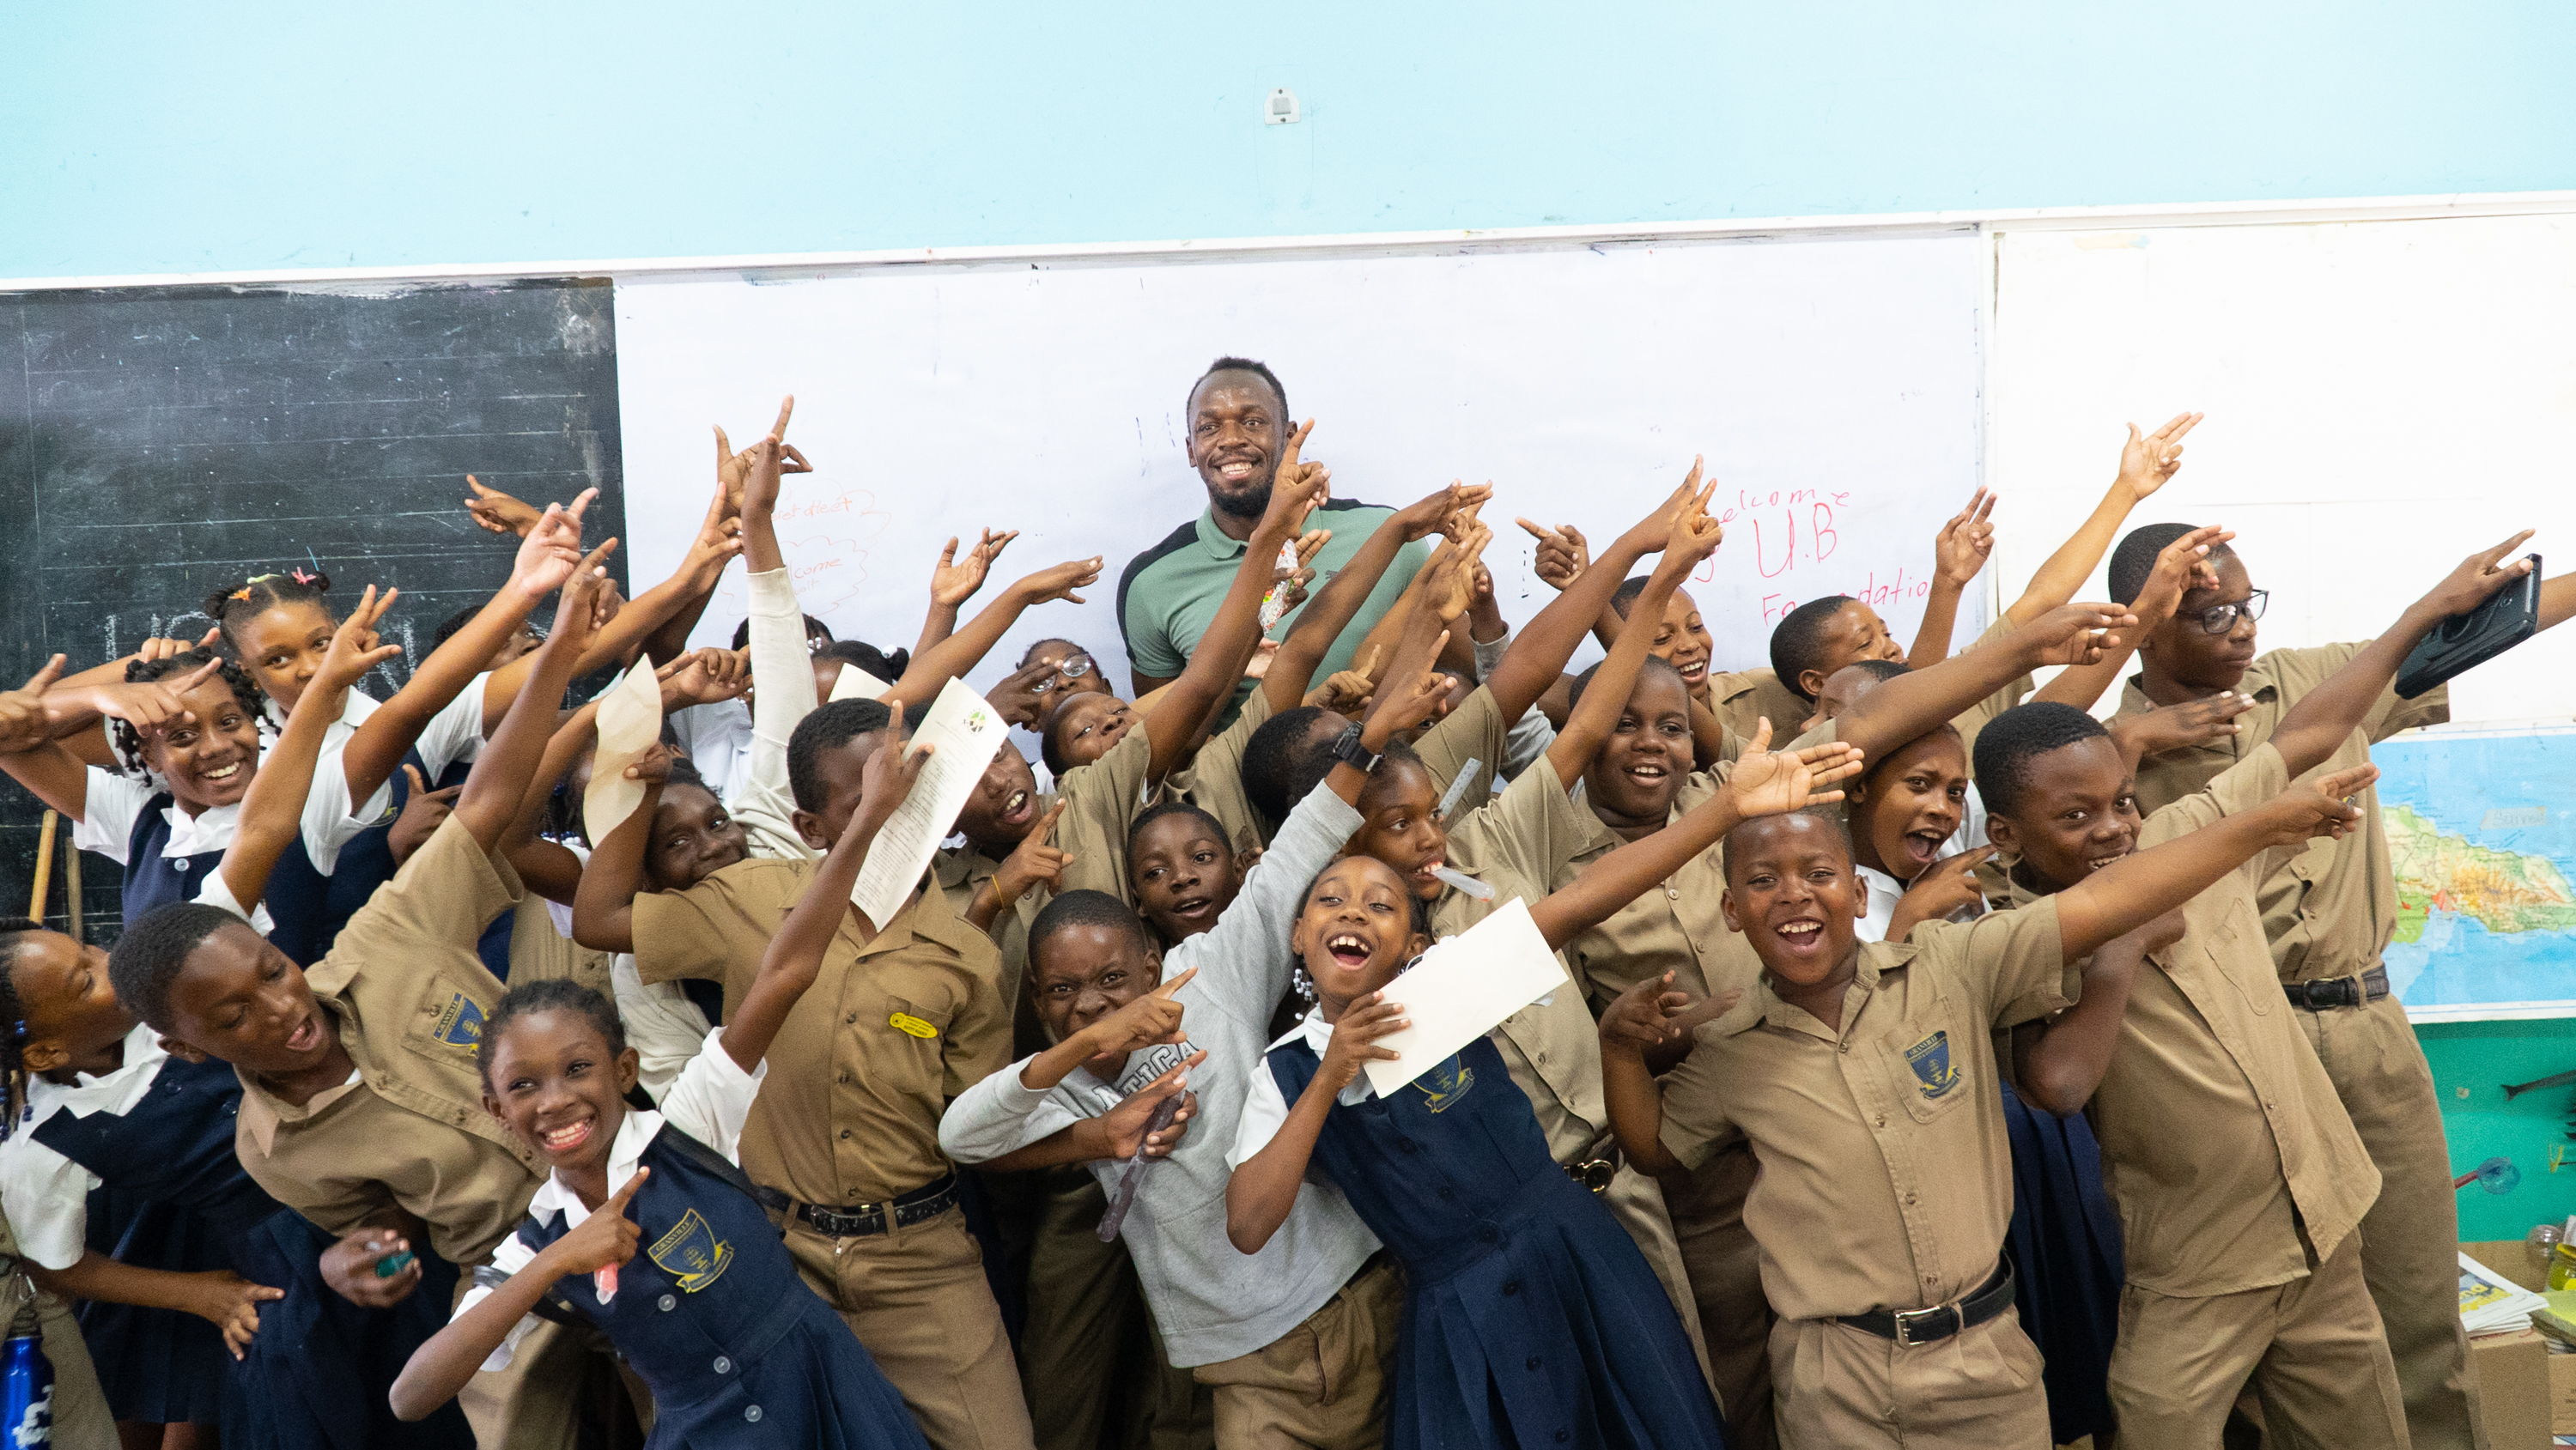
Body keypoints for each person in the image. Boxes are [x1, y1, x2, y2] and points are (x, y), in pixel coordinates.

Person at [1596, 744, 2372, 1449]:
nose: (1793, 895)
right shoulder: (1731, 1047)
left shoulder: (1949, 967)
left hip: (1983, 1359)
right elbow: (1655, 1147)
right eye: (1763, 880)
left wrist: (2262, 826)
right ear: (1732, 910)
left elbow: (2109, 899)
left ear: (1857, 893)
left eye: (1819, 874)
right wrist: (1619, 1048)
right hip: (1836, 1378)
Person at [106, 544, 632, 1450]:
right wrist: (359, 1256)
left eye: (274, 972)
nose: (282, 1008)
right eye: (235, 1018)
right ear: (189, 1048)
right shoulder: (273, 1149)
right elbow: (383, 1213)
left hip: (631, 1193)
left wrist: (555, 657)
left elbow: (485, 804)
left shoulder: (385, 943)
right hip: (515, 1276)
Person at [1218, 729, 1852, 1450]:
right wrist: (1330, 1075)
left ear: (1415, 946)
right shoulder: (1288, 1068)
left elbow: (1584, 899)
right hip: (1458, 1317)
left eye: (1383, 905)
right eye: (1332, 899)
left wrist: (1726, 808)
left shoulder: (1440, 991)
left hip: (1575, 1261)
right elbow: (1248, 1224)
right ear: (1299, 935)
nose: (1355, 912)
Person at [2097, 523, 2572, 1449]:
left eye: (2248, 605)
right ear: (2147, 625)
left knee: (2420, 1313)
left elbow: (2493, 626)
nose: (2241, 628)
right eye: (2211, 614)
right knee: (2275, 1335)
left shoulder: (2314, 682)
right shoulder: (2107, 758)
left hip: (2368, 1027)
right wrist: (2125, 743)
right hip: (2237, 1055)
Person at [391, 701, 934, 1447]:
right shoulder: (540, 1236)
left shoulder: (691, 1126)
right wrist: (554, 1263)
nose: (556, 1100)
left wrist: (867, 817)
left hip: (830, 1403)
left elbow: (785, 972)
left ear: (624, 1069)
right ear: (495, 1109)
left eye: (578, 1069)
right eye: (523, 1086)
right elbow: (412, 1394)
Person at [941, 666, 1449, 1450]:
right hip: (1240, 1359)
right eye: (1064, 992)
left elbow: (1299, 849)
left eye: (1114, 981)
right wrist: (1091, 1107)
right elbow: (960, 1136)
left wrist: (1373, 732)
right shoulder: (1061, 1083)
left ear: (1153, 963)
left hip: (1353, 1290)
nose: (1092, 1004)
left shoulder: (1209, 971)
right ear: (1038, 1001)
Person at [0, 919, 474, 1450]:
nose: (111, 964)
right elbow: (54, 1264)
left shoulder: (177, 1002)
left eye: (89, 949)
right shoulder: (43, 1147)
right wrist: (200, 1295)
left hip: (366, 1178)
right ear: (46, 1054)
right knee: (374, 1377)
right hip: (292, 1254)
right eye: (86, 982)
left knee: (454, 1314)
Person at [1118, 358, 1431, 710]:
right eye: (1209, 428)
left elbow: (1458, 681)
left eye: (1252, 422)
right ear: (1192, 450)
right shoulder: (1149, 584)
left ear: (1289, 436)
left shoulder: (1389, 536)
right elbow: (1159, 734)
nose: (1231, 440)